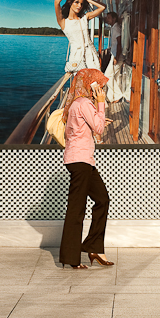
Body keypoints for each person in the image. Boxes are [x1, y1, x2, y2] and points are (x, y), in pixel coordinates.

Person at [59, 68, 114, 269]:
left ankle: (93, 246)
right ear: (89, 84)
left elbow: (86, 127)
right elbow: (98, 129)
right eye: (98, 85)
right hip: (81, 162)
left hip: (82, 161)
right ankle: (71, 258)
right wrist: (101, 103)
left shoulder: (75, 103)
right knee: (76, 209)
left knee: (102, 199)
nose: (100, 89)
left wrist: (98, 118)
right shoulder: (84, 103)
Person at [54, 0, 106, 73]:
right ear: (70, 3)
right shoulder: (63, 22)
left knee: (96, 84)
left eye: (81, 4)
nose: (79, 6)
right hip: (77, 57)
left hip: (91, 56)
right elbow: (57, 2)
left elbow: (102, 7)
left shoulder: (84, 18)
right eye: (77, 2)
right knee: (82, 85)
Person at [103, 12, 125, 103]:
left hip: (117, 55)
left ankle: (118, 95)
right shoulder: (113, 27)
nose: (107, 19)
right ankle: (112, 97)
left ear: (114, 19)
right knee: (113, 76)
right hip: (114, 54)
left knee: (107, 76)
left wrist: (116, 57)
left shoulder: (116, 28)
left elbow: (119, 43)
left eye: (109, 18)